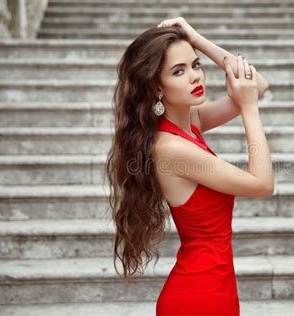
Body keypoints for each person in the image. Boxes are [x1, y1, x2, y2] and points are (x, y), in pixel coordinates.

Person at [105, 17, 274, 316]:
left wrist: (196, 40)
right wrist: (248, 109)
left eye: (196, 65)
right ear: (156, 87)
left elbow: (257, 84)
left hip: (215, 288)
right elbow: (262, 184)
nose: (195, 77)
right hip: (198, 297)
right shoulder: (171, 148)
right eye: (178, 71)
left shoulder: (189, 123)